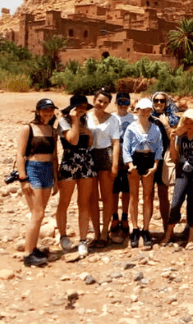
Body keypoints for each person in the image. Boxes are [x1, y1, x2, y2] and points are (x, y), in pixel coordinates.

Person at [16, 98, 59, 266]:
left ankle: (33, 248)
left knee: (39, 214)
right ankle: (28, 254)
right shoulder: (27, 128)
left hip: (48, 170)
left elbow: (55, 156)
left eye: (51, 110)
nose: (48, 113)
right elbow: (20, 155)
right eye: (45, 110)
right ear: (38, 111)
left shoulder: (52, 130)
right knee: (37, 214)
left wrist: (56, 179)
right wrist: (23, 178)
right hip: (32, 170)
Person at [161, 110, 193, 249]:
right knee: (176, 202)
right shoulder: (181, 137)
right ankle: (169, 233)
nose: (188, 125)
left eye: (191, 123)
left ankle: (191, 237)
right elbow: (174, 158)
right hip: (182, 171)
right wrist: (172, 141)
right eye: (186, 122)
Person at [56, 95, 96, 257]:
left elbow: (89, 143)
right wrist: (74, 121)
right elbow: (72, 141)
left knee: (84, 203)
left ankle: (83, 240)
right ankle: (63, 236)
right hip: (69, 162)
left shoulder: (85, 121)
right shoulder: (64, 122)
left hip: (86, 162)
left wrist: (88, 133)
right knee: (64, 202)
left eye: (84, 107)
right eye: (79, 107)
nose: (82, 110)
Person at [123, 98, 164, 249]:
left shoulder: (155, 129)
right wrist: (130, 165)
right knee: (133, 196)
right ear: (138, 110)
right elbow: (126, 148)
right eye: (143, 110)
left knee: (148, 196)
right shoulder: (131, 128)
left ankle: (146, 229)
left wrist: (156, 165)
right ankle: (135, 229)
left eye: (148, 110)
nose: (146, 113)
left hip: (149, 161)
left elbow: (159, 147)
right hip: (135, 161)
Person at [87, 89, 120, 248]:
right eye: (100, 101)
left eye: (105, 102)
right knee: (92, 198)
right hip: (89, 155)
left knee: (107, 197)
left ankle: (105, 232)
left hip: (106, 154)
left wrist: (115, 164)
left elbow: (116, 143)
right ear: (94, 100)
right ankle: (96, 233)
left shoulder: (113, 119)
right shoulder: (86, 117)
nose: (102, 104)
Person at [151, 91, 178, 235]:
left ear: (166, 103)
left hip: (164, 160)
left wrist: (166, 125)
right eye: (156, 100)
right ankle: (145, 229)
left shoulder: (172, 118)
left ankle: (167, 228)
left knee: (163, 194)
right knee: (148, 195)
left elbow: (173, 137)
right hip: (149, 159)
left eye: (162, 101)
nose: (159, 103)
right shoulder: (148, 117)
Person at [110, 92, 136, 244]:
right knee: (113, 189)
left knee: (127, 189)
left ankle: (125, 216)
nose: (123, 105)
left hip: (128, 156)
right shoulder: (111, 118)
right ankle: (114, 216)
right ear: (116, 103)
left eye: (126, 102)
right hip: (113, 155)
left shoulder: (133, 118)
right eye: (120, 102)